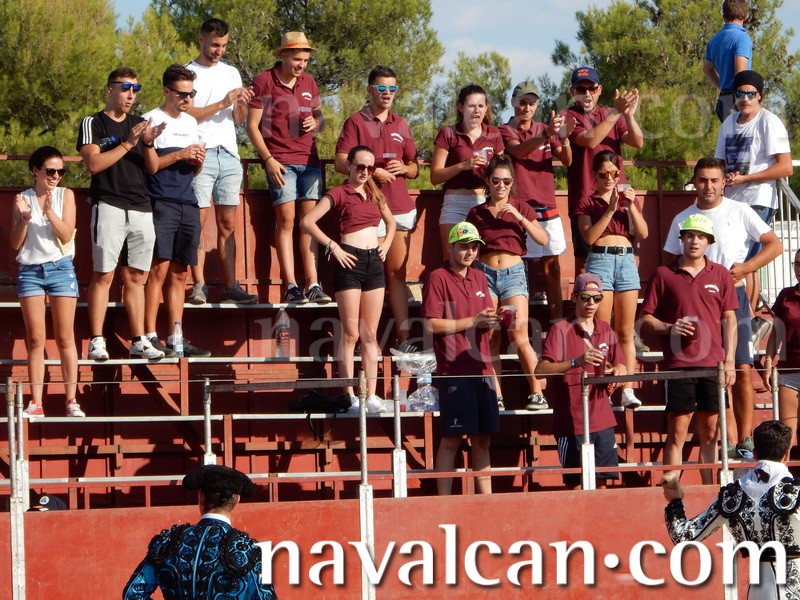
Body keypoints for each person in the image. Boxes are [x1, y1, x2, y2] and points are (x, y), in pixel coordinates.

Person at [664, 157, 782, 460]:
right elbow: (670, 263)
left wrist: (747, 268)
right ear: (694, 181)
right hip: (697, 301)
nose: (709, 186)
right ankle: (726, 439)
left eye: (714, 180)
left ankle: (746, 438)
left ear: (723, 183)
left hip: (734, 296)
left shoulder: (740, 210)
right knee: (712, 370)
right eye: (703, 180)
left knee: (741, 367)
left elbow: (775, 244)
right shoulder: (682, 218)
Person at [77, 67, 166, 361]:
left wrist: (148, 143)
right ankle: (97, 340)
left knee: (137, 277)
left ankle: (138, 340)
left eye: (135, 89)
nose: (131, 94)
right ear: (110, 89)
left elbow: (152, 169)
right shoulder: (93, 122)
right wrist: (128, 143)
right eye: (125, 87)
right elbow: (93, 164)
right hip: (109, 204)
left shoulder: (140, 124)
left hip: (141, 207)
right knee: (104, 274)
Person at [641, 214, 738, 484]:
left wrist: (730, 361)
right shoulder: (664, 274)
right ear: (682, 239)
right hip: (679, 365)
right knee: (677, 433)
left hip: (713, 364)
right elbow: (645, 320)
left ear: (709, 242)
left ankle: (710, 491)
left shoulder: (721, 273)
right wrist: (670, 327)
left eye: (701, 237)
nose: (695, 241)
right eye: (690, 236)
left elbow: (730, 319)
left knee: (711, 434)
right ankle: (671, 491)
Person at [301, 145, 396, 413]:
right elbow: (307, 222)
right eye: (360, 166)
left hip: (373, 262)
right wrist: (334, 247)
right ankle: (350, 396)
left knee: (370, 334)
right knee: (351, 333)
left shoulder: (375, 193)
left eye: (370, 167)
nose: (365, 172)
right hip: (349, 260)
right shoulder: (339, 192)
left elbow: (391, 223)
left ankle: (371, 395)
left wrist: (386, 244)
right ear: (350, 166)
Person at [663, 420, 800, 599]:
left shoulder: (732, 496)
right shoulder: (796, 492)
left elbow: (683, 536)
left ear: (755, 454)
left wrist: (675, 500)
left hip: (757, 592)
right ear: (787, 454)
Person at [335, 65, 419, 351]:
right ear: (370, 90)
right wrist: (373, 172)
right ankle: (364, 341)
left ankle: (403, 341)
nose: (387, 93)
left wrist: (404, 168)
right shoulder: (355, 122)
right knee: (367, 277)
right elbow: (340, 162)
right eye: (381, 88)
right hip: (367, 210)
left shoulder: (402, 123)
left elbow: (415, 167)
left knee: (397, 275)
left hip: (399, 207)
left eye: (392, 88)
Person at [247, 31, 329, 304]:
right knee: (286, 221)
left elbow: (320, 117)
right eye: (296, 59)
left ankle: (313, 283)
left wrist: (316, 122)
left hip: (310, 161)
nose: (301, 65)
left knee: (308, 223)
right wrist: (268, 159)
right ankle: (291, 285)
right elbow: (251, 126)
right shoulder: (264, 81)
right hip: (280, 162)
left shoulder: (309, 82)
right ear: (283, 55)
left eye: (305, 60)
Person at [422, 222, 500, 495]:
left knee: (483, 439)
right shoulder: (437, 278)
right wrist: (473, 321)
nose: (470, 252)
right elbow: (431, 324)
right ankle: (444, 503)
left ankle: (486, 504)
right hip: (454, 371)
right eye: (464, 246)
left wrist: (493, 321)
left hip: (482, 368)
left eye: (474, 247)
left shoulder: (479, 277)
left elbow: (483, 318)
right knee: (452, 438)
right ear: (451, 247)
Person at [466, 154, 549, 411]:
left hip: (513, 273)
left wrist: (520, 217)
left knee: (518, 334)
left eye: (506, 181)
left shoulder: (521, 207)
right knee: (491, 336)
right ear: (487, 181)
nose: (501, 186)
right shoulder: (477, 212)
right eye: (496, 180)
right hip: (485, 275)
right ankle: (497, 395)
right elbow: (466, 245)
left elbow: (543, 239)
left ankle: (537, 392)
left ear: (512, 182)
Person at [122, 464, 277, 599]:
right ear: (237, 501)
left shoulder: (167, 542)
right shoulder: (248, 549)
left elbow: (132, 594)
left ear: (201, 497)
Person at [186, 17, 258, 305]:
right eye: (215, 44)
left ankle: (231, 287)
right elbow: (186, 114)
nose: (219, 50)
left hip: (229, 154)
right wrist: (222, 102)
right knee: (198, 221)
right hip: (200, 153)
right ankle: (199, 285)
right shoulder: (189, 73)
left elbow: (238, 119)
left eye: (224, 45)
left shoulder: (231, 72)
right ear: (201, 40)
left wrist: (241, 104)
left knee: (228, 222)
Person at [142, 64, 211, 358]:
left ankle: (176, 337)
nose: (187, 99)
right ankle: (149, 335)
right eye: (182, 94)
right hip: (160, 200)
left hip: (188, 201)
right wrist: (181, 154)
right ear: (166, 91)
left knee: (181, 273)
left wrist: (197, 160)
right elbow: (150, 167)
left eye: (191, 93)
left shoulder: (191, 123)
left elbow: (194, 171)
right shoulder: (151, 120)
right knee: (158, 270)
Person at [11, 147, 85, 418]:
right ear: (35, 170)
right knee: (35, 339)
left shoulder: (66, 195)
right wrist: (25, 218)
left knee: (65, 337)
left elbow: (66, 235)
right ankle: (36, 402)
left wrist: (49, 211)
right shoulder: (22, 198)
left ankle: (71, 400)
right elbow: (15, 243)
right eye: (50, 171)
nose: (56, 176)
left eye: (60, 171)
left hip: (60, 268)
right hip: (30, 270)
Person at [536, 273, 626, 490]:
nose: (591, 303)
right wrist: (577, 361)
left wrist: (618, 371)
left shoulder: (605, 329)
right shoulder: (560, 330)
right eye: (585, 297)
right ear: (574, 297)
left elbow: (621, 365)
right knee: (575, 486)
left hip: (602, 418)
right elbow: (540, 370)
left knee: (603, 484)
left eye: (597, 298)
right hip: (571, 420)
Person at [715, 69, 793, 311]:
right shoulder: (728, 123)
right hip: (731, 201)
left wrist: (747, 178)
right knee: (740, 261)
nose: (745, 99)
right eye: (740, 94)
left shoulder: (769, 121)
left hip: (758, 200)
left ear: (760, 95)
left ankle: (746, 316)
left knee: (744, 261)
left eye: (751, 93)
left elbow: (786, 167)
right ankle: (747, 316)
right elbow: (720, 162)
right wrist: (724, 177)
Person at [576, 150, 648, 409]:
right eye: (603, 174)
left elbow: (643, 233)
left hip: (626, 260)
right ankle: (603, 386)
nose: (609, 178)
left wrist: (631, 206)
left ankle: (627, 388)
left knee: (626, 331)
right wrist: (610, 209)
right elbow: (589, 237)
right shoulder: (587, 202)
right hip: (601, 259)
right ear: (595, 176)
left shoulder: (628, 198)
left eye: (614, 173)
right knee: (602, 329)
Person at [499, 81, 575, 323]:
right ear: (513, 102)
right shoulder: (504, 130)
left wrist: (564, 139)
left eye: (532, 103)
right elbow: (518, 151)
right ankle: (518, 328)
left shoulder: (544, 128)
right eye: (522, 102)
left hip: (547, 207)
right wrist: (546, 135)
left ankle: (556, 326)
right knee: (518, 271)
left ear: (537, 105)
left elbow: (567, 160)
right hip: (518, 208)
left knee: (552, 268)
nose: (527, 108)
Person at [562, 66, 643, 275]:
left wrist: (628, 115)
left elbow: (637, 141)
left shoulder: (609, 114)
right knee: (584, 261)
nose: (587, 94)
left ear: (599, 89)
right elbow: (589, 140)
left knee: (623, 250)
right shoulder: (568, 115)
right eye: (581, 89)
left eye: (592, 88)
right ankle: (584, 296)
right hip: (585, 198)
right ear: (572, 92)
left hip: (616, 196)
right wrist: (617, 112)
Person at [430, 84, 504, 259]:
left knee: (482, 259)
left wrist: (489, 173)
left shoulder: (494, 133)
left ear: (486, 108)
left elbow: (503, 170)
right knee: (452, 259)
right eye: (471, 105)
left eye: (481, 105)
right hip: (455, 202)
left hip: (484, 201)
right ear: (461, 107)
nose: (476, 110)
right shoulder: (448, 132)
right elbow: (435, 176)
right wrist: (463, 165)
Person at [762, 250, 800, 444]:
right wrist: (768, 362)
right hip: (789, 370)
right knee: (786, 435)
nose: (799, 269)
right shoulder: (786, 295)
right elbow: (776, 332)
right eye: (797, 264)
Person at [703, 0, 752, 123]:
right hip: (738, 99)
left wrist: (722, 85)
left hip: (723, 99)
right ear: (746, 15)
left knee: (730, 135)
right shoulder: (742, 38)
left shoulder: (714, 40)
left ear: (723, 16)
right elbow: (740, 74)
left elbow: (707, 69)